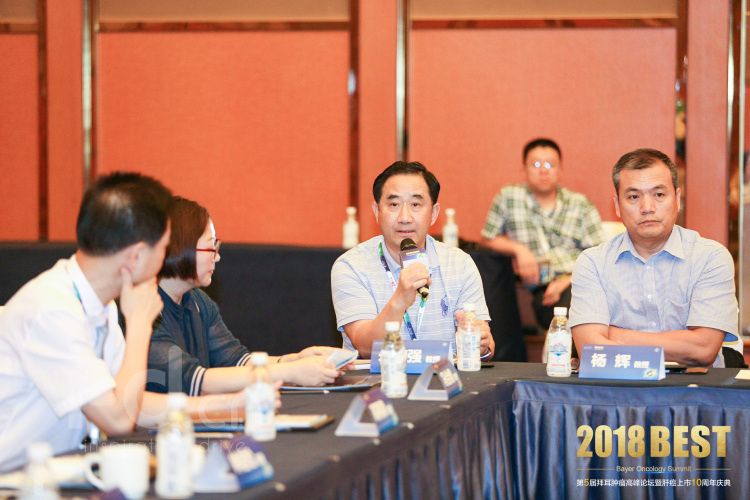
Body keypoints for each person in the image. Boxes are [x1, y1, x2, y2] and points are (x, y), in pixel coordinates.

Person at [0, 173, 247, 473]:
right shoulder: (51, 310)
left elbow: (131, 401)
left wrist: (228, 406)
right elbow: (117, 420)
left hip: (61, 471)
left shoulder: (99, 303)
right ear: (136, 255)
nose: (166, 259)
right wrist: (140, 323)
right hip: (15, 480)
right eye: (163, 248)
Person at [147, 197, 342, 395]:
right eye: (211, 247)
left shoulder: (198, 301)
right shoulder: (144, 309)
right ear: (180, 248)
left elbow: (236, 360)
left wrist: (294, 360)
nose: (217, 256)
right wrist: (290, 372)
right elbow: (193, 380)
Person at [569, 148, 744, 367]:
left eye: (659, 195)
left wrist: (615, 335)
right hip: (620, 385)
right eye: (633, 197)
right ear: (617, 206)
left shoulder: (710, 258)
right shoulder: (593, 263)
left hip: (699, 385)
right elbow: (591, 350)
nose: (647, 208)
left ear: (677, 199)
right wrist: (679, 344)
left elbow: (703, 350)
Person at [331, 161, 495, 358]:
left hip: (445, 377)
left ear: (434, 213)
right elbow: (365, 347)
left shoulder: (460, 264)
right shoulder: (351, 266)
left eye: (415, 205)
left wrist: (482, 345)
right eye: (394, 204)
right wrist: (400, 299)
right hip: (380, 376)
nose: (404, 217)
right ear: (376, 211)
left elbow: (486, 344)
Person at [481, 138, 604, 328]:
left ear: (560, 170)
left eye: (550, 164)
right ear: (524, 169)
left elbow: (599, 256)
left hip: (581, 280)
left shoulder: (580, 204)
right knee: (568, 315)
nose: (543, 170)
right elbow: (488, 238)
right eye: (536, 164)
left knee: (587, 308)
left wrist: (567, 280)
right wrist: (519, 250)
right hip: (545, 289)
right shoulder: (508, 197)